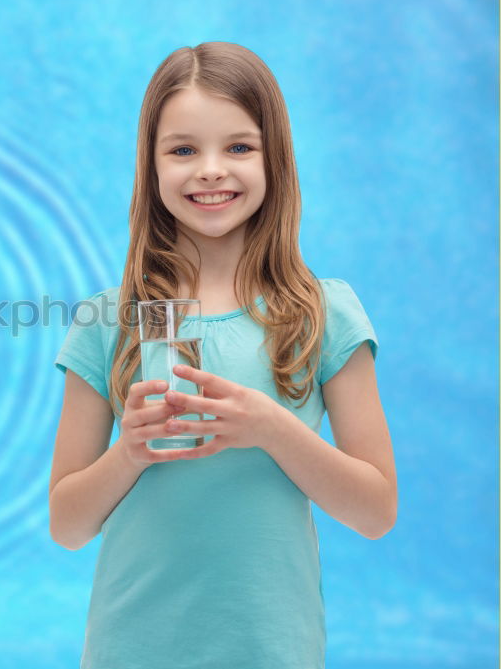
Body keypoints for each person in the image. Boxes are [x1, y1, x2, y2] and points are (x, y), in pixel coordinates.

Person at [49, 42, 397, 668]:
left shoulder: (323, 312)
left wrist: (270, 428)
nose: (210, 170)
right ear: (150, 167)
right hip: (132, 649)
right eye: (183, 150)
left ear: (276, 161)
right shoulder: (111, 320)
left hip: (271, 649)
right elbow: (67, 525)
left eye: (238, 147)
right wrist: (128, 452)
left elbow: (375, 511)